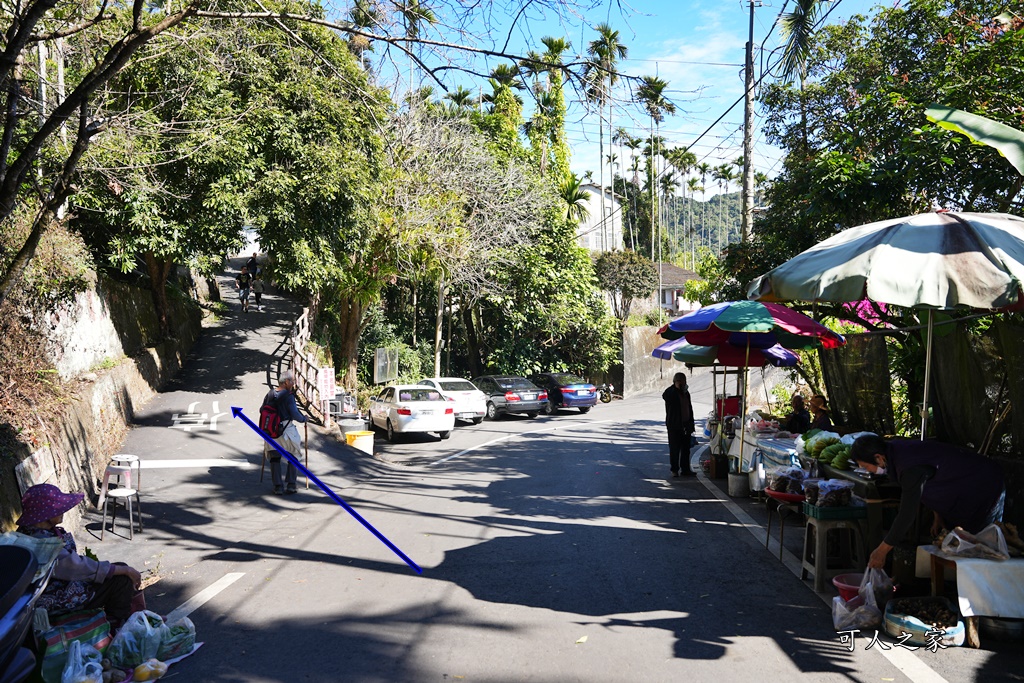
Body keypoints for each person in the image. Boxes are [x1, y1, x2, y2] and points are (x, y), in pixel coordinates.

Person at [850, 435, 1006, 570]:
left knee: (980, 544)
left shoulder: (907, 465)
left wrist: (882, 551)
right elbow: (930, 481)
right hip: (965, 485)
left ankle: (980, 594)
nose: (867, 470)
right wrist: (937, 513)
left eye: (865, 466)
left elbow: (906, 514)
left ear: (878, 457)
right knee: (962, 541)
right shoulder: (894, 452)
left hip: (983, 483)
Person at [15, 484, 143, 628]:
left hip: (59, 586)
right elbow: (76, 567)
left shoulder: (31, 531)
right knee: (121, 579)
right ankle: (118, 625)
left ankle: (133, 616)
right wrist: (125, 571)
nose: (63, 510)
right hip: (54, 598)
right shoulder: (40, 545)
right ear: (45, 515)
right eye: (58, 508)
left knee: (120, 568)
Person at [264, 370, 307, 495]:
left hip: (271, 431)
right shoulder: (288, 396)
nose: (293, 384)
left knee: (274, 457)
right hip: (286, 429)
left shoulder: (270, 394)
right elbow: (294, 413)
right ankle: (291, 485)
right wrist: (304, 419)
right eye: (292, 381)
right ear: (286, 382)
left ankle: (278, 486)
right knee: (293, 455)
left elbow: (262, 409)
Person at [663, 372, 695, 478]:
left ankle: (685, 469)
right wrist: (676, 387)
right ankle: (674, 469)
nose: (682, 383)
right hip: (674, 426)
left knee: (686, 449)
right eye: (680, 381)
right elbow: (666, 396)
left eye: (683, 381)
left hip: (686, 425)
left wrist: (691, 424)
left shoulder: (686, 393)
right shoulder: (671, 392)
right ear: (676, 382)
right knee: (674, 448)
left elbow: (689, 409)